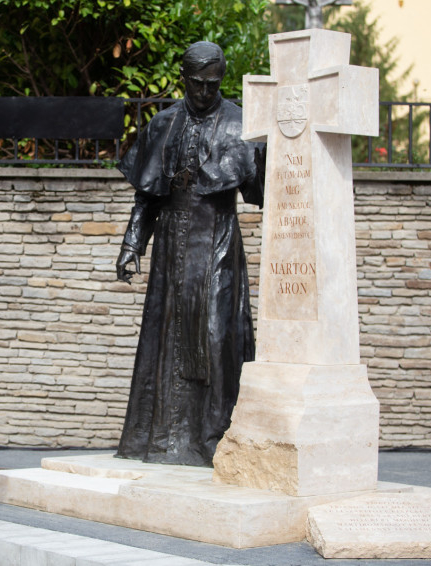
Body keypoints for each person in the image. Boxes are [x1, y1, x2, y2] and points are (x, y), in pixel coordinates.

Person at [114, 41, 266, 467]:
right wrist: (131, 244)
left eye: (212, 84)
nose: (204, 92)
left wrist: (270, 152)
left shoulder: (240, 124)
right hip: (171, 241)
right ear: (183, 78)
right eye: (197, 83)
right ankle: (162, 441)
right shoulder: (163, 123)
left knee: (216, 335)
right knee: (166, 336)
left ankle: (213, 438)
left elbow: (258, 191)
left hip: (216, 238)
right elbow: (148, 196)